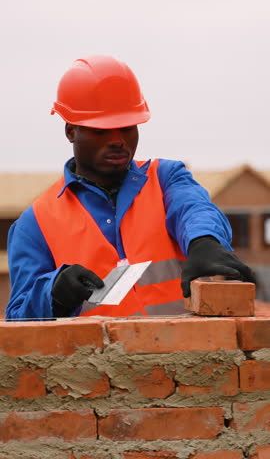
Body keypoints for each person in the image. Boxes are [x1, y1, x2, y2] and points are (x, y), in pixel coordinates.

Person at [6, 55, 255, 320]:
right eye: (101, 130)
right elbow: (18, 320)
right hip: (99, 361)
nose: (117, 140)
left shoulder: (166, 178)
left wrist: (205, 240)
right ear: (70, 131)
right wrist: (52, 294)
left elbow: (194, 209)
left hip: (187, 357)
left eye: (126, 127)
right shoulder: (35, 224)